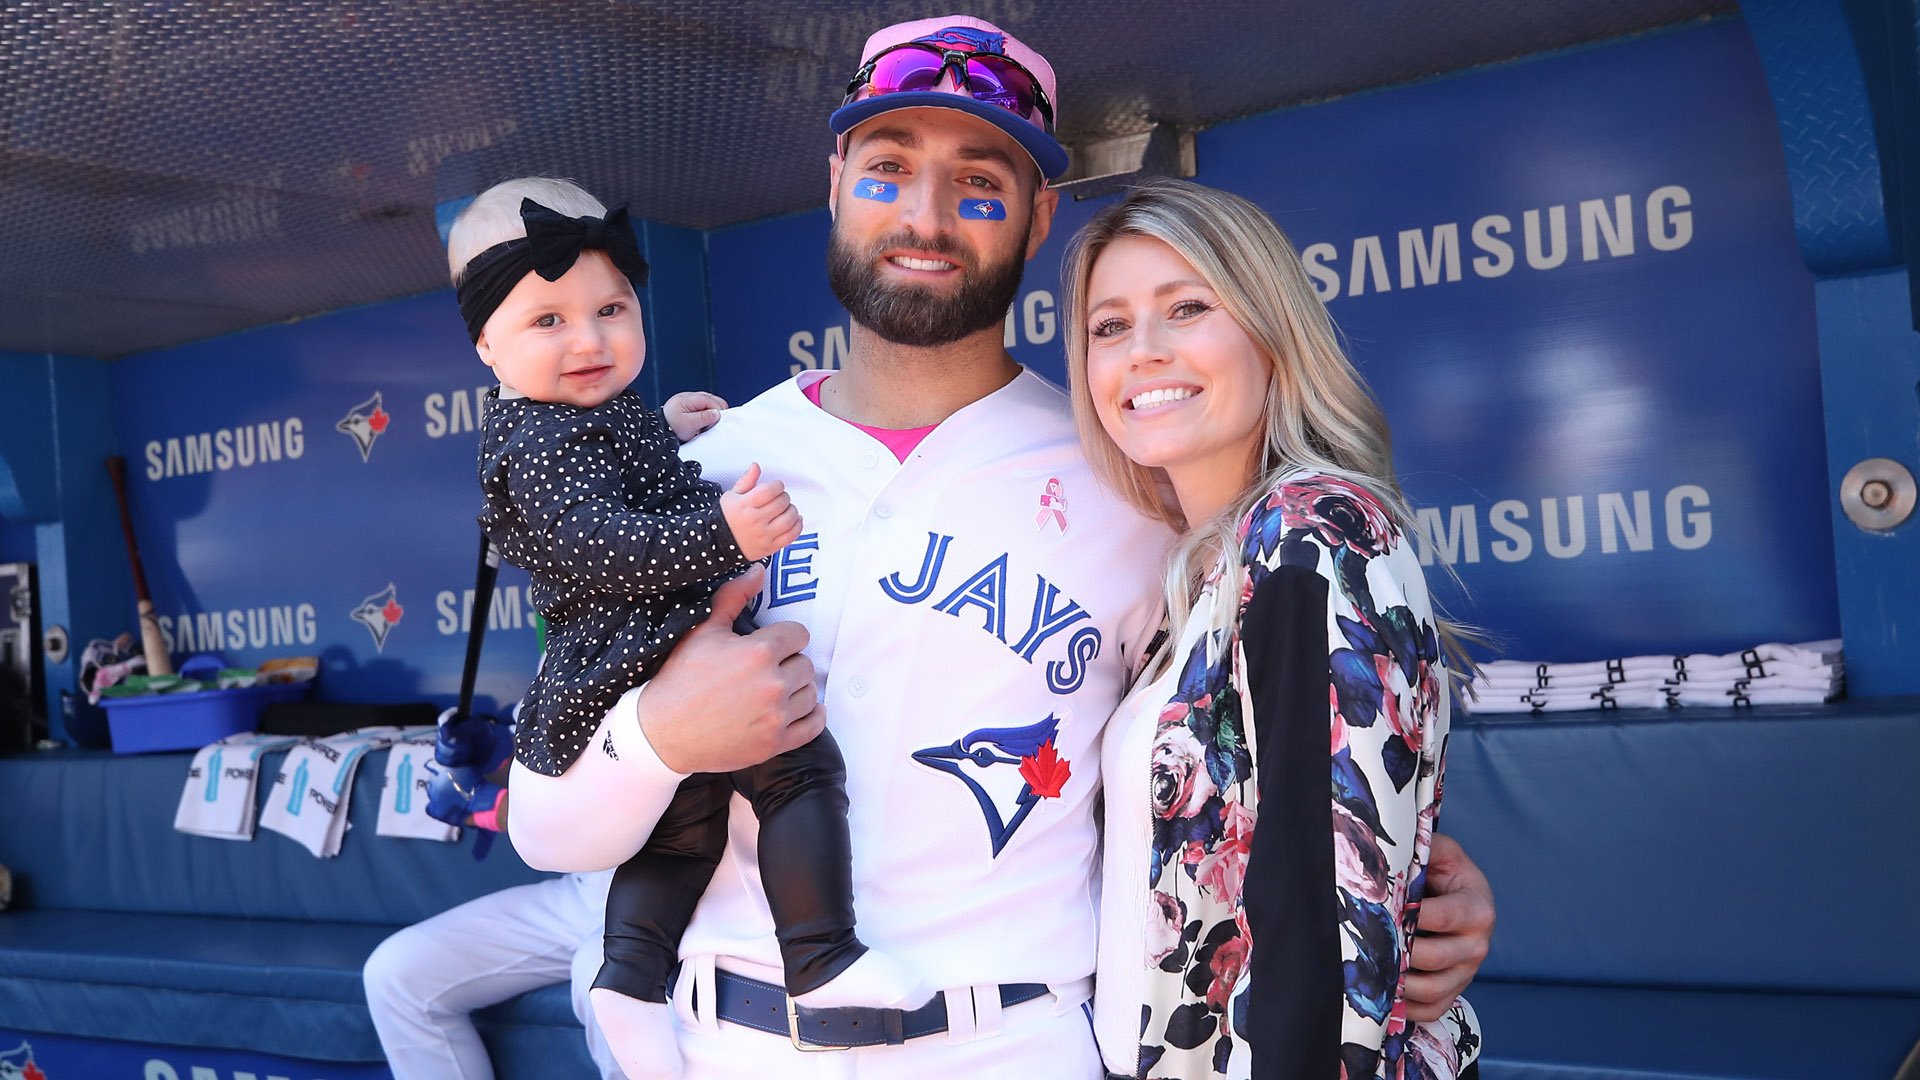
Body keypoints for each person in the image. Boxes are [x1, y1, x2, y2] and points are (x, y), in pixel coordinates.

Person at [500, 15, 1496, 1078]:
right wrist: (656, 736)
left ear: (1036, 219)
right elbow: (543, 830)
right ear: (836, 178)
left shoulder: (1134, 481)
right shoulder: (698, 472)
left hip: (1011, 1043)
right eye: (888, 167)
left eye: (979, 181)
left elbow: (1254, 764)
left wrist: (1426, 883)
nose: (925, 217)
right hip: (718, 1042)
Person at [439, 176, 922, 1079]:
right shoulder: (533, 442)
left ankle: (628, 976)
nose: (588, 339)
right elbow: (597, 541)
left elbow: (606, 479)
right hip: (626, 664)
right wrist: (722, 533)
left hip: (648, 653)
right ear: (486, 345)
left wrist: (659, 431)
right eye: (548, 321)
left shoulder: (576, 420)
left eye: (611, 308)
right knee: (798, 769)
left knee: (689, 823)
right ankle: (820, 960)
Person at [1064, 178, 1481, 1078]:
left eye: (1187, 308)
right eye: (1109, 326)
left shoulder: (1309, 535)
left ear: (1270, 331)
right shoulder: (1203, 565)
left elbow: (1327, 927)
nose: (1144, 352)